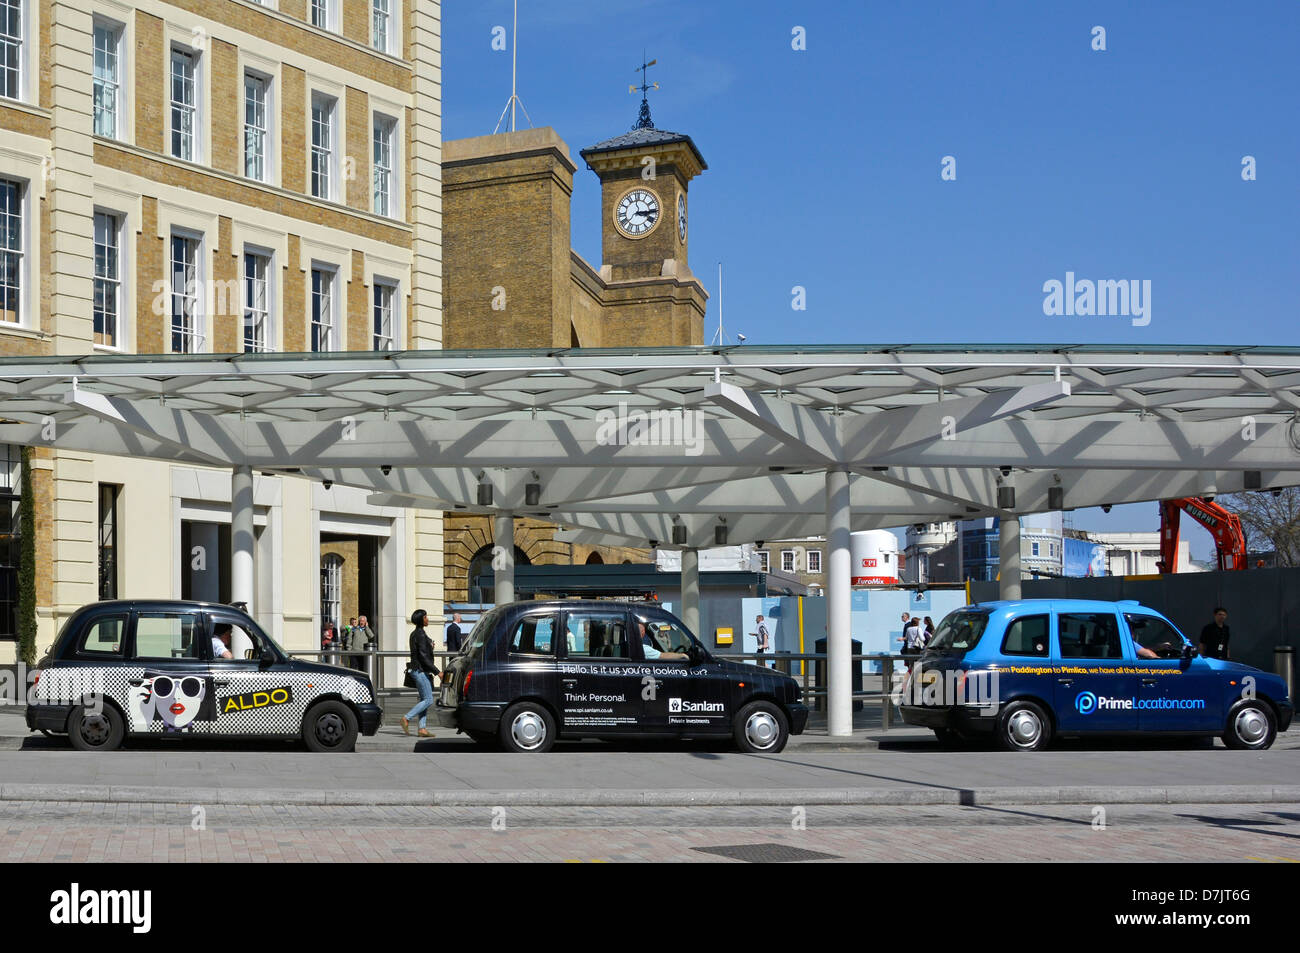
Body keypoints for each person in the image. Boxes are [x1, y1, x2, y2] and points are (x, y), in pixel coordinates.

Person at [402, 609, 439, 737]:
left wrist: (430, 644)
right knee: (428, 700)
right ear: (421, 619)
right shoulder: (420, 634)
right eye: (425, 617)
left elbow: (424, 647)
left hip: (416, 670)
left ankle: (422, 729)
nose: (427, 619)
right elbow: (423, 657)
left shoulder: (416, 633)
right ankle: (406, 718)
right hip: (420, 670)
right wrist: (437, 672)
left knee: (424, 699)